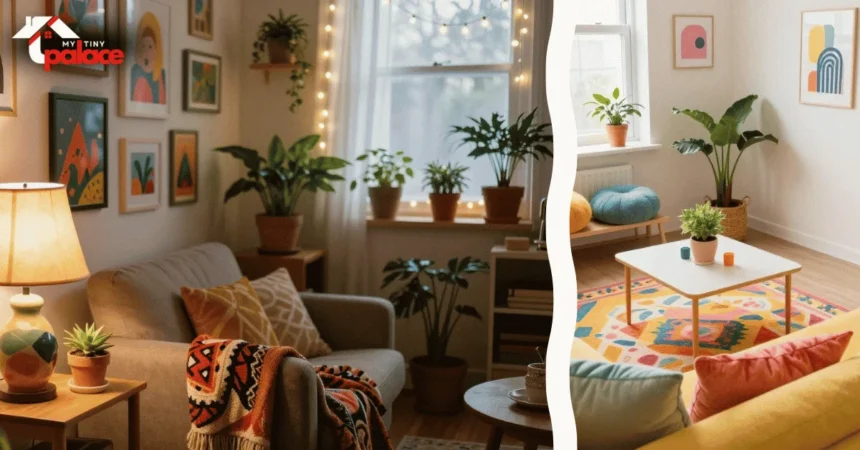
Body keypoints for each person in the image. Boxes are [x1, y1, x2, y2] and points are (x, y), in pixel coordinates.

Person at [130, 12, 166, 104]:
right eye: (143, 46)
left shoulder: (161, 74)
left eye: (150, 47)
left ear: (156, 49)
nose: (146, 51)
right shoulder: (135, 70)